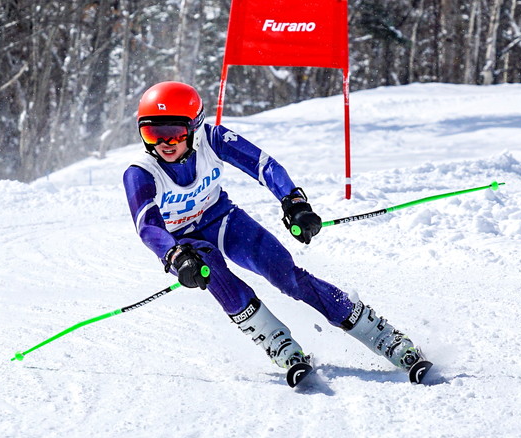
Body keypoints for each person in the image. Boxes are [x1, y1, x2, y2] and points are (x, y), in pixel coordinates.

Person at [122, 81, 431, 386]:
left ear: (195, 126)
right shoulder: (140, 171)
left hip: (222, 220)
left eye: (175, 132)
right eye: (153, 133)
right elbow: (147, 225)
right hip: (184, 241)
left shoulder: (214, 139)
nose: (165, 143)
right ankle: (279, 345)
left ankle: (382, 336)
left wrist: (294, 202)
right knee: (215, 276)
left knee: (287, 276)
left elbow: (264, 165)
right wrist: (174, 254)